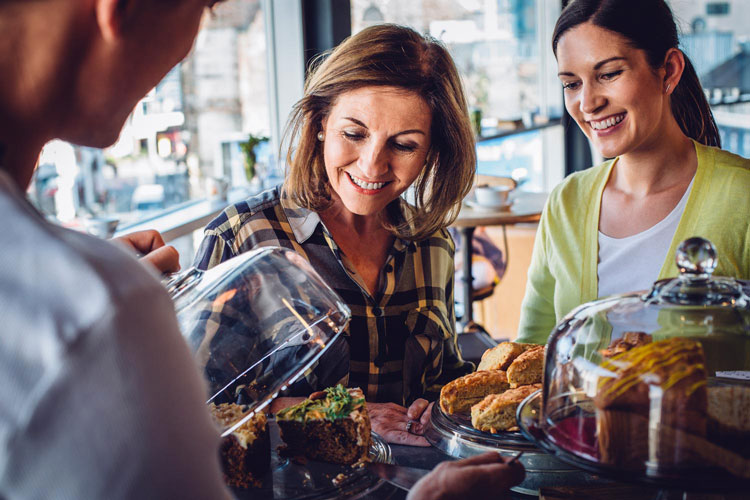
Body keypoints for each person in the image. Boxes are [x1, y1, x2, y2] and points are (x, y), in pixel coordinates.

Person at [194, 24, 476, 446]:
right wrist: (341, 415)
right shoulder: (242, 238)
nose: (371, 166)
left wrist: (439, 405)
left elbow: (445, 379)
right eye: (354, 134)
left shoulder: (432, 243)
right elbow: (191, 406)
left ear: (433, 151)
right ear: (321, 122)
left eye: (403, 145)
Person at [0, 0, 233, 498]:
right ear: (122, 8)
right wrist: (107, 305)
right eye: (204, 7)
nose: (188, 47)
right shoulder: (102, 313)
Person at [517, 0, 750, 344]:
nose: (587, 103)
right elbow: (530, 354)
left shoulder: (741, 196)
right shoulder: (566, 202)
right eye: (572, 84)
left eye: (608, 74)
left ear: (668, 70)